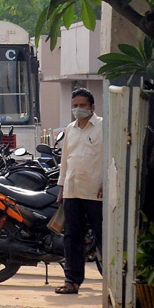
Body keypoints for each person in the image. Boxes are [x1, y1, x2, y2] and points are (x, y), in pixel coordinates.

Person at [55, 88, 104, 295]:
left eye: (82, 105)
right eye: (75, 106)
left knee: (103, 237)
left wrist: (106, 183)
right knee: (72, 237)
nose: (78, 109)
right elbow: (65, 161)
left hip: (96, 192)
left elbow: (110, 157)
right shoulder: (70, 129)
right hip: (72, 191)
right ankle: (71, 281)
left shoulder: (103, 127)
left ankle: (112, 282)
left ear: (92, 107)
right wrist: (62, 188)